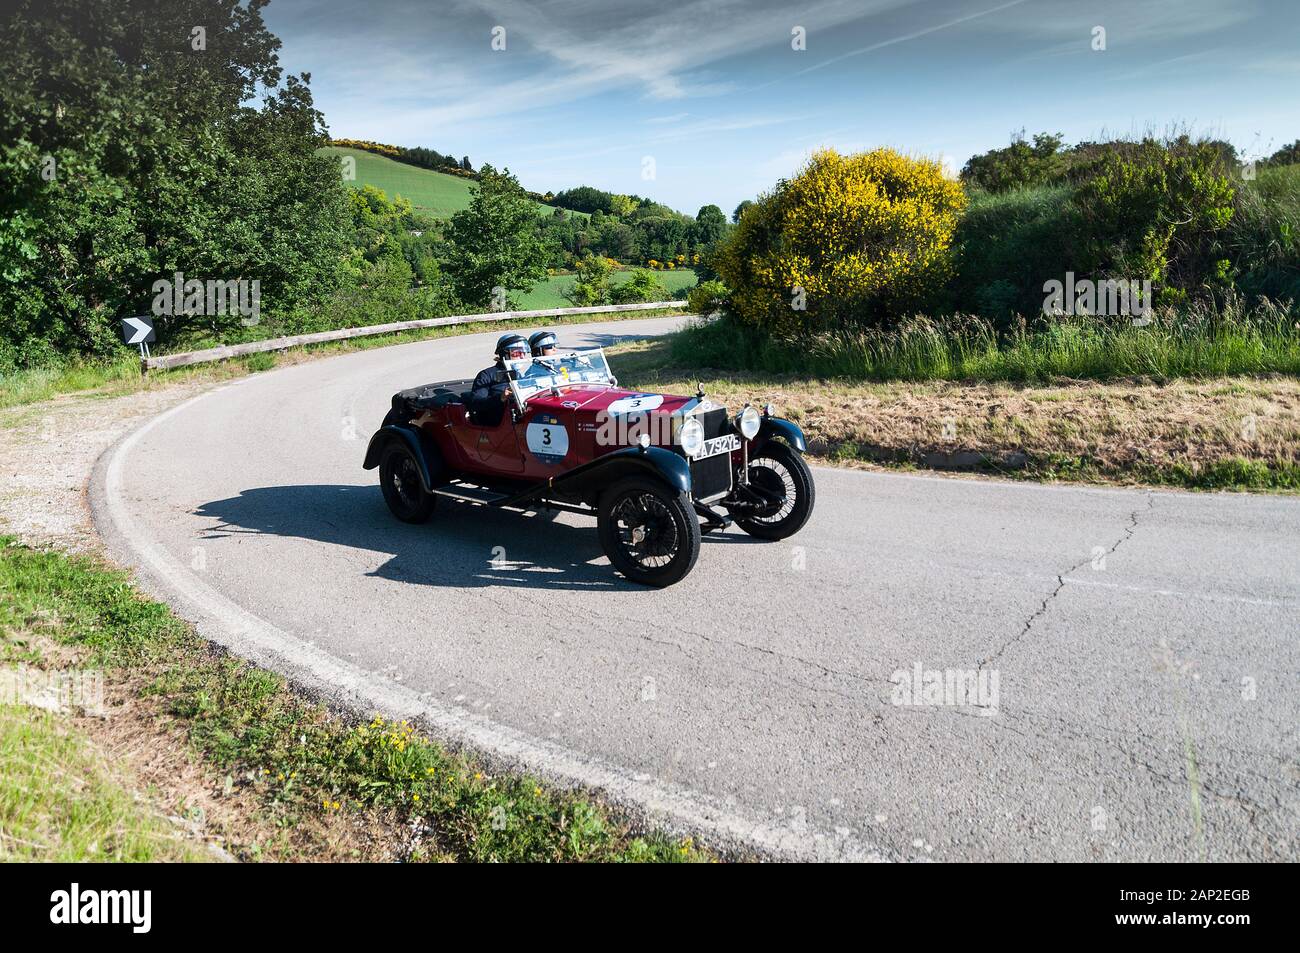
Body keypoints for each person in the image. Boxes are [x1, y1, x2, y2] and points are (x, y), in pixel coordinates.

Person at [469, 333, 527, 426]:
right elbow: (476, 404)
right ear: (505, 354)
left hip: (518, 418)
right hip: (497, 422)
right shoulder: (486, 375)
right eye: (517, 353)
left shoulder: (518, 374)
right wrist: (501, 397)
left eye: (524, 353)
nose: (522, 357)